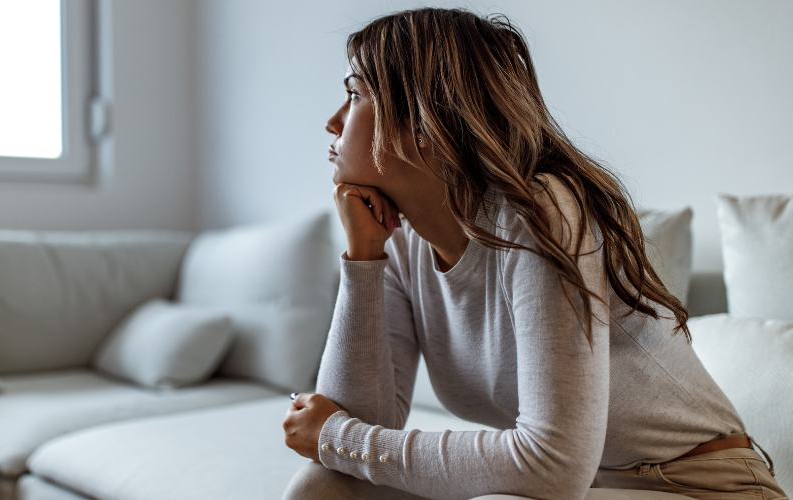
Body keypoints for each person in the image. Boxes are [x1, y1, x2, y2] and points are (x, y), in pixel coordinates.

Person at [281, 7, 787, 500]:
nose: (333, 122)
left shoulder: (540, 209)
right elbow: (353, 426)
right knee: (321, 487)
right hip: (576, 489)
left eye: (353, 95)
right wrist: (364, 259)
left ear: (422, 119)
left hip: (699, 486)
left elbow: (552, 467)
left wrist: (336, 437)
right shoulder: (404, 245)